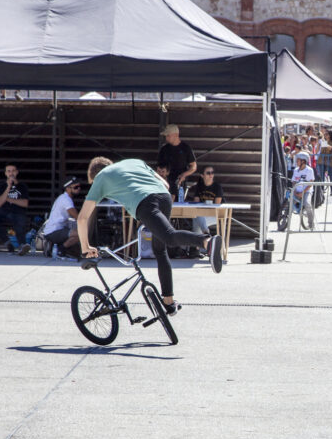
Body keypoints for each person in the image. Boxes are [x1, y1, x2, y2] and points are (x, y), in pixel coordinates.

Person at [78, 157, 221, 314]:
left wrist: (85, 247)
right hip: (164, 197)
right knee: (160, 249)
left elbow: (82, 218)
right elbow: (166, 185)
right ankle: (169, 302)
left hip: (145, 205)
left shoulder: (101, 177)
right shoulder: (133, 162)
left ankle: (207, 241)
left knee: (169, 236)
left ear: (95, 175)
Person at [0, 164, 31, 255]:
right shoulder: (1, 186)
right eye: (8, 171)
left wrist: (8, 199)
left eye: (13, 171)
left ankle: (22, 245)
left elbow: (25, 203)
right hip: (4, 211)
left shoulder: (22, 186)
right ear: (5, 173)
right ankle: (8, 243)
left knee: (19, 220)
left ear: (17, 172)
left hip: (18, 212)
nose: (11, 173)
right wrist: (8, 187)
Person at [41, 176, 82, 258]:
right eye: (76, 187)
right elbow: (75, 216)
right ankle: (61, 250)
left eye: (79, 186)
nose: (79, 189)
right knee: (81, 233)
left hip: (58, 229)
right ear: (67, 188)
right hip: (54, 231)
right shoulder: (66, 199)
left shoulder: (64, 198)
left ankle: (62, 249)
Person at [188, 165, 225, 243]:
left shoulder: (217, 187)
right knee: (197, 217)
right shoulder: (199, 186)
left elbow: (216, 206)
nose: (211, 175)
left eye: (212, 172)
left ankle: (199, 243)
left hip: (215, 215)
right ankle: (206, 239)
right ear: (202, 175)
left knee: (197, 219)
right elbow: (196, 204)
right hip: (202, 215)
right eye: (208, 173)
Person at [157, 124, 197, 193]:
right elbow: (159, 166)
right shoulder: (164, 149)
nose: (166, 138)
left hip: (180, 182)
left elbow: (193, 166)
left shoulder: (186, 148)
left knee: (180, 199)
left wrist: (184, 174)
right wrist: (162, 176)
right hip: (166, 183)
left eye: (168, 135)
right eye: (165, 136)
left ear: (176, 135)